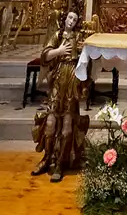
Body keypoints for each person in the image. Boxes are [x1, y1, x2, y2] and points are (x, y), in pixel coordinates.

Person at [32, 11, 89, 181]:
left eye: (75, 19)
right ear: (65, 19)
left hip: (72, 79)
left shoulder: (79, 37)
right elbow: (45, 56)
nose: (71, 21)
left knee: (67, 126)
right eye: (69, 18)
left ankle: (60, 163)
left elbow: (87, 56)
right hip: (58, 79)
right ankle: (47, 158)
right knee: (50, 123)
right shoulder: (57, 35)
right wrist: (60, 50)